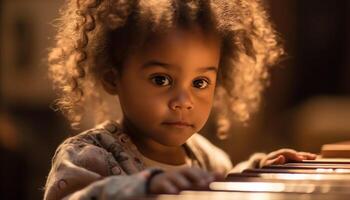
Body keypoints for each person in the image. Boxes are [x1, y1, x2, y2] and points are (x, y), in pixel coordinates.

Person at [44, 0, 316, 199]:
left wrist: (256, 171)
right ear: (113, 78)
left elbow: (221, 185)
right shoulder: (87, 156)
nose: (183, 101)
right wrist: (145, 187)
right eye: (161, 79)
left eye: (200, 83)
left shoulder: (209, 158)